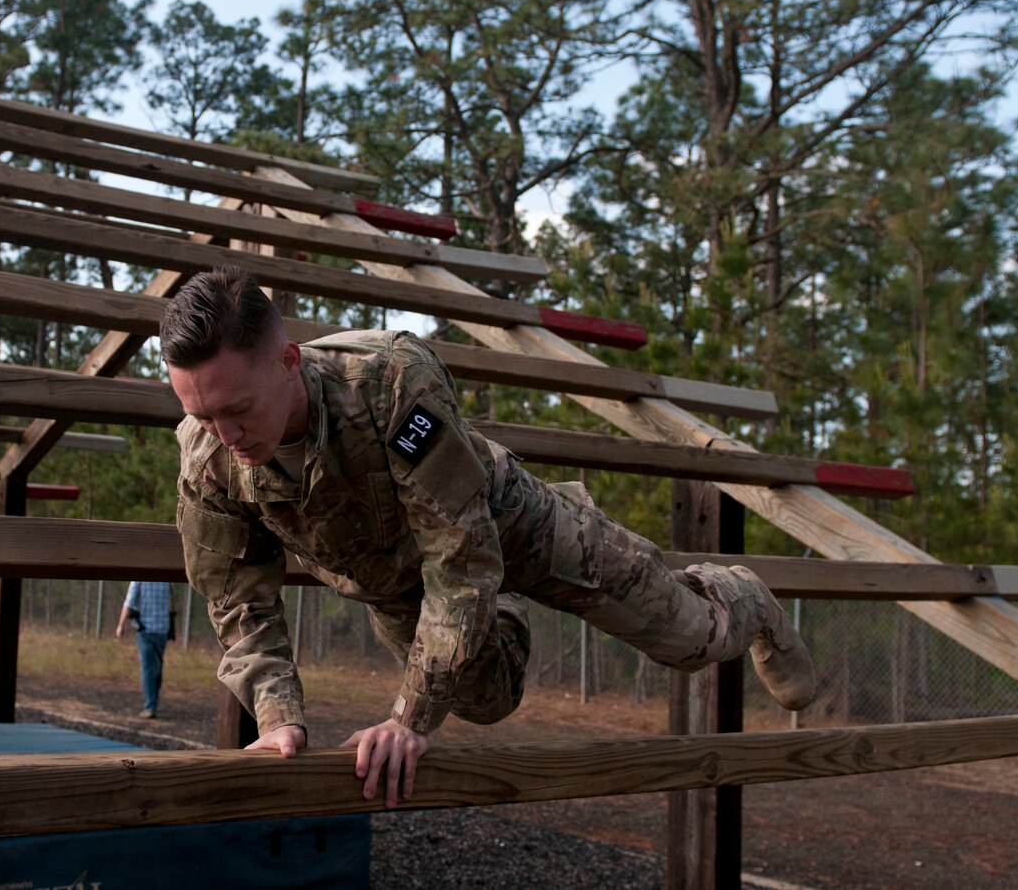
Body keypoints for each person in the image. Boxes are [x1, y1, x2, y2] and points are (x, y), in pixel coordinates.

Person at [163, 265, 815, 808]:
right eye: (202, 415)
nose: (224, 434)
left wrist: (406, 721)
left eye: (237, 410)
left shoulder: (390, 381)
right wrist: (279, 718)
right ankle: (496, 613)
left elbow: (459, 550)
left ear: (287, 361)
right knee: (485, 701)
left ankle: (745, 598)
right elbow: (238, 601)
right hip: (398, 584)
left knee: (692, 638)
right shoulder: (206, 458)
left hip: (508, 523)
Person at [115, 580, 173, 719]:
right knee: (157, 667)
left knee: (148, 668)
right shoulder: (166, 580)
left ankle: (150, 706)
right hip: (162, 628)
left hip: (145, 629)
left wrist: (120, 625)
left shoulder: (138, 579)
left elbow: (129, 602)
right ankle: (153, 701)